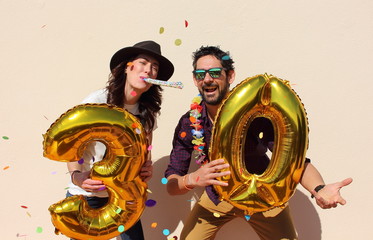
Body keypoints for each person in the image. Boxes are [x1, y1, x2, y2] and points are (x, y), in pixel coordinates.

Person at [165, 45, 352, 240]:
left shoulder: (257, 115)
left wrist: (319, 189)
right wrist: (192, 179)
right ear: (195, 79)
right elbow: (170, 181)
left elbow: (295, 162)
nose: (208, 79)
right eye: (201, 74)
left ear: (230, 76)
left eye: (214, 72)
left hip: (263, 198)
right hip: (216, 197)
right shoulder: (189, 122)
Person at [67, 40, 174, 240]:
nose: (148, 70)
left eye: (154, 67)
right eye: (143, 63)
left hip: (124, 198)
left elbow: (145, 150)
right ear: (127, 67)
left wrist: (146, 166)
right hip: (88, 197)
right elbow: (73, 148)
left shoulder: (147, 112)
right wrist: (77, 177)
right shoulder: (96, 103)